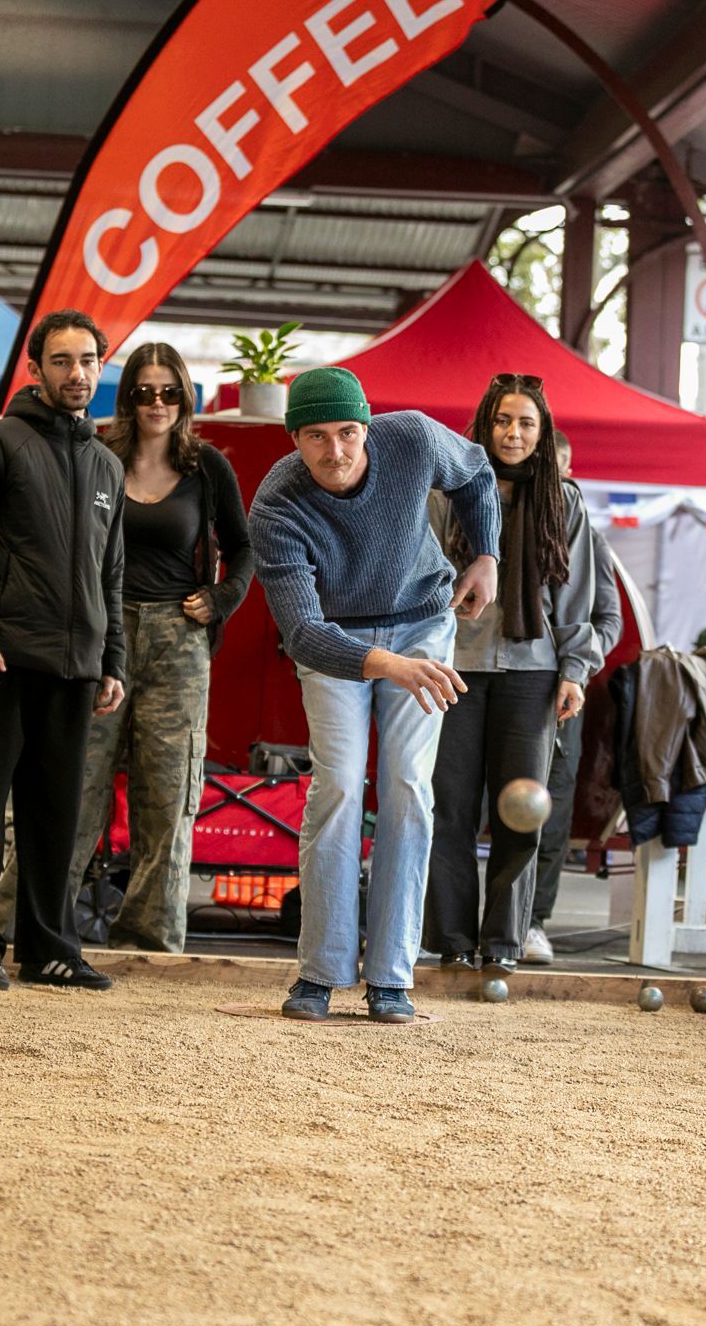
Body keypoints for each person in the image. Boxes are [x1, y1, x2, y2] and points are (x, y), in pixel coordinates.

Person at [248, 366, 500, 1023]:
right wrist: (388, 666)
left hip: (422, 621)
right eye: (316, 437)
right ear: (294, 439)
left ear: (367, 427)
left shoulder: (413, 437)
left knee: (408, 785)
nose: (335, 450)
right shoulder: (276, 504)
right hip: (334, 641)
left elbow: (475, 472)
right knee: (336, 784)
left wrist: (487, 554)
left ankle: (391, 976)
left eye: (348, 433)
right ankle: (320, 971)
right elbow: (303, 633)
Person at [0, 343, 253, 953]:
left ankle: (149, 942)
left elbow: (243, 548)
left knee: (168, 795)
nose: (157, 403)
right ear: (128, 398)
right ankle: (22, 928)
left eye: (169, 392)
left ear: (185, 397)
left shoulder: (207, 467)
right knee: (69, 785)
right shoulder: (97, 455)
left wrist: (222, 598)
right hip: (98, 633)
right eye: (144, 392)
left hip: (178, 640)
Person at [0, 309, 125, 991]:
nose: (77, 374)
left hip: (77, 668)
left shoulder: (106, 464)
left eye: (88, 361)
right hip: (3, 658)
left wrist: (113, 660)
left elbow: (111, 573)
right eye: (63, 361)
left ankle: (47, 949)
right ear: (36, 368)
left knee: (55, 818)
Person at [424, 376, 603, 982]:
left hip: (534, 671)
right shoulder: (448, 491)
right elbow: (425, 578)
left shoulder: (564, 501)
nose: (513, 433)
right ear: (485, 424)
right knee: (449, 809)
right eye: (503, 420)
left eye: (527, 423)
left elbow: (575, 597)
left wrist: (574, 670)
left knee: (520, 813)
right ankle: (451, 941)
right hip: (455, 668)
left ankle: (502, 942)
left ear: (542, 432)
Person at [522, 428, 624, 965]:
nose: (553, 480)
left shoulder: (588, 536)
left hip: (561, 688)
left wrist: (575, 664)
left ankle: (533, 920)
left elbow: (608, 619)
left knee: (551, 805)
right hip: (501, 677)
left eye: (559, 470)